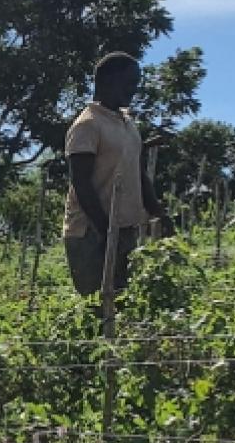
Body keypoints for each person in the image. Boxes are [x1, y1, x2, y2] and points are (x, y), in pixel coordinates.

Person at [62, 51, 171, 297]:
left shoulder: (127, 124)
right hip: (90, 233)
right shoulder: (87, 125)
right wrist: (106, 230)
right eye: (129, 82)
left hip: (124, 229)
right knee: (98, 306)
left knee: (123, 305)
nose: (134, 90)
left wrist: (158, 212)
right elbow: (81, 182)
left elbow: (138, 172)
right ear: (107, 81)